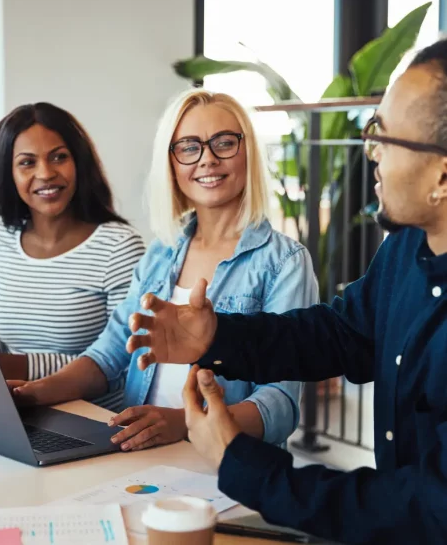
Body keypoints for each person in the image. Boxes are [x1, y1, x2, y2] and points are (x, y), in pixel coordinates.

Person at [126, 39, 447, 544]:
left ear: (442, 174)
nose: (371, 153)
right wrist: (217, 335)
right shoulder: (406, 246)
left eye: (385, 137)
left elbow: (428, 508)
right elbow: (340, 334)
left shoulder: (283, 258)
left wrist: (244, 464)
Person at [9, 90, 318, 452]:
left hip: (230, 467)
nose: (207, 159)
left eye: (224, 143)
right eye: (189, 147)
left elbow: (280, 404)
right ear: (170, 163)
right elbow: (108, 355)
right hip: (141, 457)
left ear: (248, 151)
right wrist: (33, 393)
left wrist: (185, 422)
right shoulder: (161, 252)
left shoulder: (284, 262)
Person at [0, 102, 146, 409]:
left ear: (79, 163)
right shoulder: (4, 236)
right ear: (7, 172)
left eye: (59, 157)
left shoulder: (118, 247)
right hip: (10, 406)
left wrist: (13, 367)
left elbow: (125, 363)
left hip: (91, 419)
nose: (45, 173)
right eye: (27, 163)